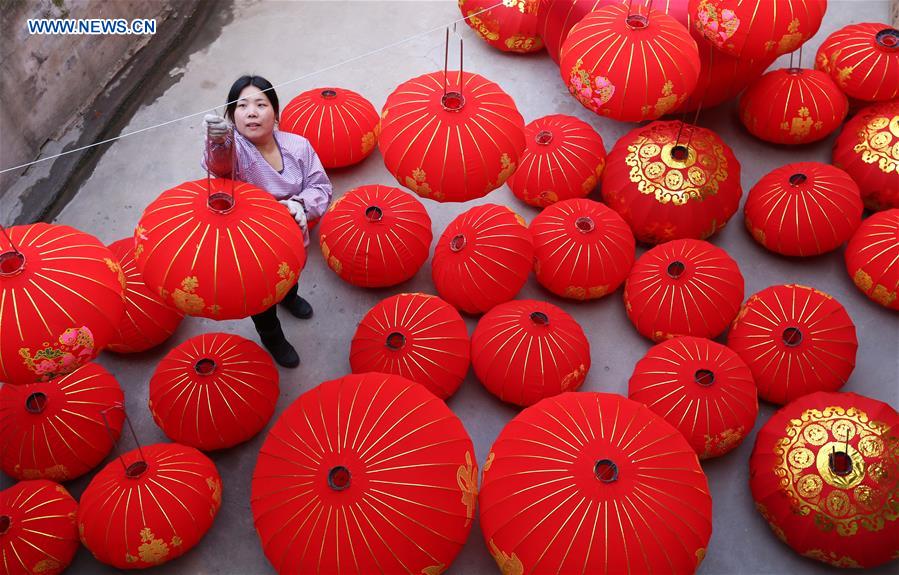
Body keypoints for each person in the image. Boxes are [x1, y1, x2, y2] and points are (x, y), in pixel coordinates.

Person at [203, 75, 332, 368]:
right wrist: (219, 142)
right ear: (231, 115)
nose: (251, 111)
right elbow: (220, 167)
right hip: (249, 245)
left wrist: (301, 204)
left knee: (290, 274)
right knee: (259, 298)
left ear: (275, 111)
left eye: (260, 104)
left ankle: (289, 297)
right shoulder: (234, 150)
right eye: (242, 105)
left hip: (290, 235)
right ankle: (272, 336)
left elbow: (320, 186)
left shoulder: (298, 146)